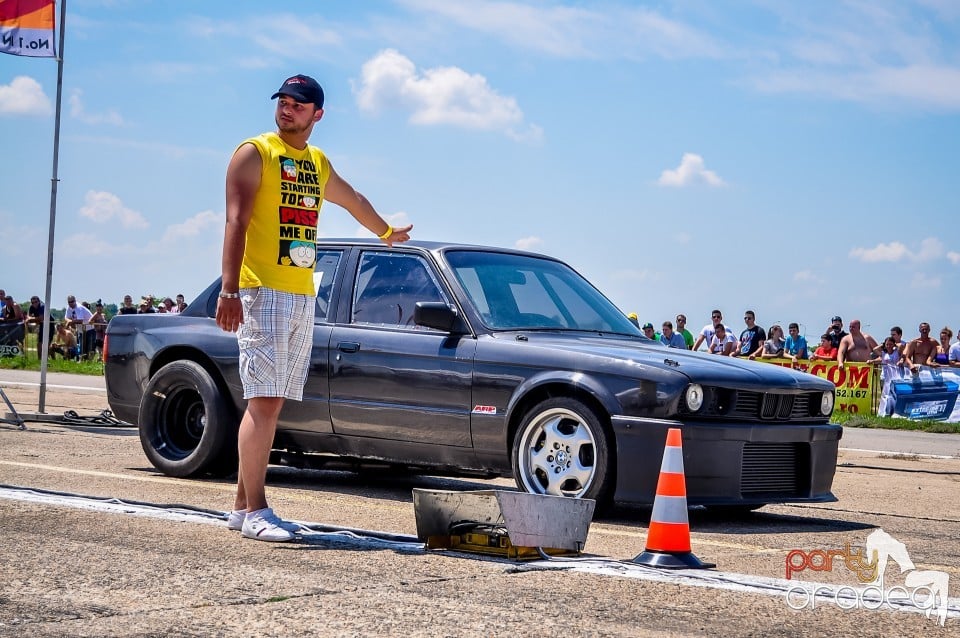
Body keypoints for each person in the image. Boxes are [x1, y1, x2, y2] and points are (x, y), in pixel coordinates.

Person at [216, 73, 412, 542]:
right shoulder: (255, 152)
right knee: (262, 400)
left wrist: (385, 232)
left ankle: (243, 508)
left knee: (273, 401)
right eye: (282, 101)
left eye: (298, 104)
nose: (287, 109)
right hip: (261, 290)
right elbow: (235, 220)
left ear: (317, 114)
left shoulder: (316, 162)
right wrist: (228, 290)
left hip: (301, 292)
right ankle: (258, 510)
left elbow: (352, 199)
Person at [875, 336, 905, 416]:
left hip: (895, 377)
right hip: (884, 376)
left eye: (890, 344)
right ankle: (884, 412)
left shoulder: (897, 352)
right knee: (884, 395)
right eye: (887, 344)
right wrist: (883, 344)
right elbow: (875, 349)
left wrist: (895, 344)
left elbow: (902, 346)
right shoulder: (883, 353)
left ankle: (894, 411)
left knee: (893, 395)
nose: (889, 346)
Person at [65, 295, 95, 359]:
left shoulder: (79, 308)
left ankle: (89, 362)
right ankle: (82, 361)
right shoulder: (68, 308)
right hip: (81, 330)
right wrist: (69, 321)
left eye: (72, 301)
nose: (71, 303)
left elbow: (80, 321)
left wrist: (70, 322)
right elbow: (66, 318)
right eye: (69, 302)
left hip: (90, 329)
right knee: (82, 347)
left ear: (75, 301)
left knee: (90, 348)